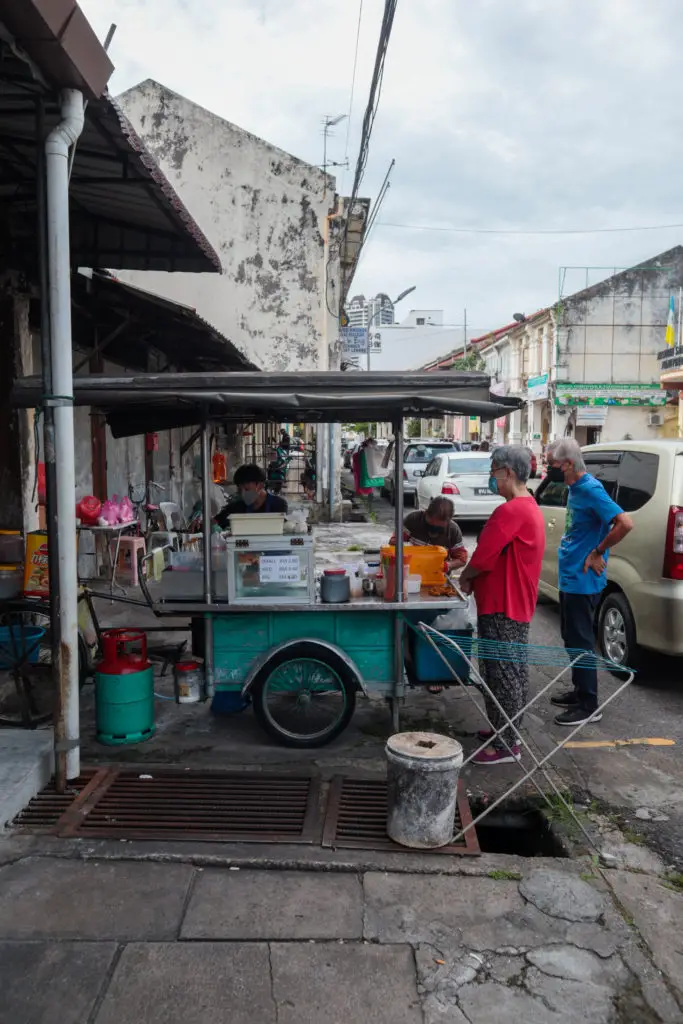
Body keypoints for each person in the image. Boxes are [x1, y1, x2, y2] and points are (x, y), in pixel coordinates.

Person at [458, 446, 545, 766]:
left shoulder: (510, 511)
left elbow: (482, 558)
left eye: (494, 470)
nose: (491, 477)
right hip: (512, 602)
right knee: (511, 671)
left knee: (502, 674)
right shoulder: (527, 506)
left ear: (508, 472)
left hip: (502, 604)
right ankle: (504, 731)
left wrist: (465, 578)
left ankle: (507, 745)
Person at [545, 438, 633, 726]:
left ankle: (589, 705)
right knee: (571, 638)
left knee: (581, 641)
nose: (549, 469)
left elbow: (624, 523)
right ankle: (580, 690)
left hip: (583, 581)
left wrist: (598, 551)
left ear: (568, 464)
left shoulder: (591, 489)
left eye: (553, 465)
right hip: (571, 577)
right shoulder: (573, 488)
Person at [390, 496, 468, 572]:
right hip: (412, 569)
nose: (434, 529)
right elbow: (394, 544)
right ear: (426, 513)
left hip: (438, 573)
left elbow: (462, 559)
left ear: (449, 520)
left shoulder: (453, 530)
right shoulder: (413, 519)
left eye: (439, 527)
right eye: (431, 524)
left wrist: (446, 565)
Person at [216, 464, 287, 528]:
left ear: (260, 485)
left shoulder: (279, 505)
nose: (243, 493)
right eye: (240, 490)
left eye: (247, 489)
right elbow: (214, 522)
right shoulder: (237, 506)